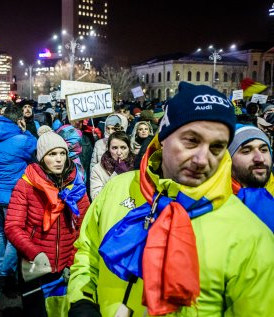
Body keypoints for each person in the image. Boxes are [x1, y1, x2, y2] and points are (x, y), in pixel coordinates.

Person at [67, 82, 274, 316]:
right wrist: (81, 301)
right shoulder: (118, 188)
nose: (201, 159)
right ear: (163, 137)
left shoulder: (251, 235)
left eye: (216, 147)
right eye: (191, 141)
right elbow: (87, 253)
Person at [5, 127, 90, 316]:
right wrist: (35, 253)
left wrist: (72, 260)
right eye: (52, 154)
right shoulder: (26, 185)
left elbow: (85, 226)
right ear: (42, 157)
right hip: (36, 268)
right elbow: (12, 226)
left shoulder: (76, 185)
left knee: (60, 311)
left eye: (62, 153)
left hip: (66, 266)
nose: (59, 159)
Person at [0, 105, 37, 291]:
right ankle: (6, 273)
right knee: (15, 233)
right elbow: (34, 146)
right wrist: (26, 130)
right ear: (18, 120)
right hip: (12, 195)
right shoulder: (21, 140)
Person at [228, 124, 274, 231]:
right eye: (246, 151)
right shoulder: (212, 205)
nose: (260, 158)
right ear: (228, 160)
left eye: (264, 150)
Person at [90, 131, 134, 199]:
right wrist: (116, 174)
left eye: (123, 148)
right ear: (108, 149)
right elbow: (95, 198)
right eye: (114, 148)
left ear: (129, 148)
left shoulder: (137, 165)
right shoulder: (98, 169)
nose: (119, 152)